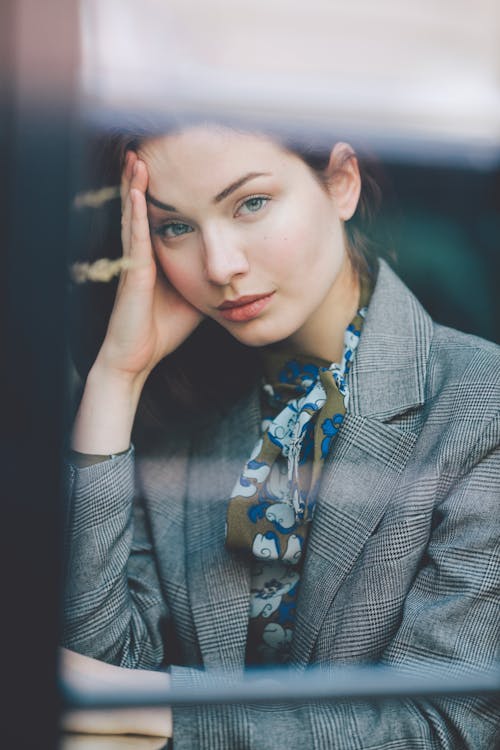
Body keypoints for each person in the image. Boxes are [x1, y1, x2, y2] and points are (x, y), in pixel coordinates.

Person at [62, 123, 500, 749]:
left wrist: (165, 707)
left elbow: (441, 729)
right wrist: (118, 376)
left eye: (251, 204)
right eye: (175, 227)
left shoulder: (481, 407)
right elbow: (95, 662)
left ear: (341, 183)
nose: (221, 266)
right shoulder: (175, 404)